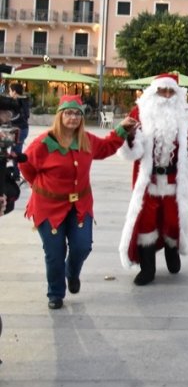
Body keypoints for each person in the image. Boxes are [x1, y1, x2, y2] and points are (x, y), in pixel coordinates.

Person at [20, 95, 137, 309]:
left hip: (80, 206)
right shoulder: (43, 144)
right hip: (48, 207)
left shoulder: (87, 140)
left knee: (82, 246)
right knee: (54, 253)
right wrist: (39, 186)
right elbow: (26, 167)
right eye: (68, 113)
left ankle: (72, 272)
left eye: (77, 114)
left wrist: (122, 129)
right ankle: (55, 293)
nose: (73, 117)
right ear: (60, 115)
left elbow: (107, 146)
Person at [118, 73, 188, 286]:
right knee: (146, 223)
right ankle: (148, 268)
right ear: (154, 91)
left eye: (171, 91)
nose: (167, 95)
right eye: (163, 90)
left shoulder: (185, 115)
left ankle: (172, 250)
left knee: (172, 220)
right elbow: (131, 148)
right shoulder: (140, 112)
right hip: (148, 180)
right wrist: (129, 137)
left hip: (173, 180)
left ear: (177, 94)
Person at [9, 83, 30, 180]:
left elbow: (15, 117)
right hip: (23, 129)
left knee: (15, 152)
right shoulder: (24, 100)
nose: (9, 93)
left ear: (14, 92)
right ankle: (16, 174)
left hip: (19, 130)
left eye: (10, 91)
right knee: (16, 151)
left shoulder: (17, 102)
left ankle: (16, 176)